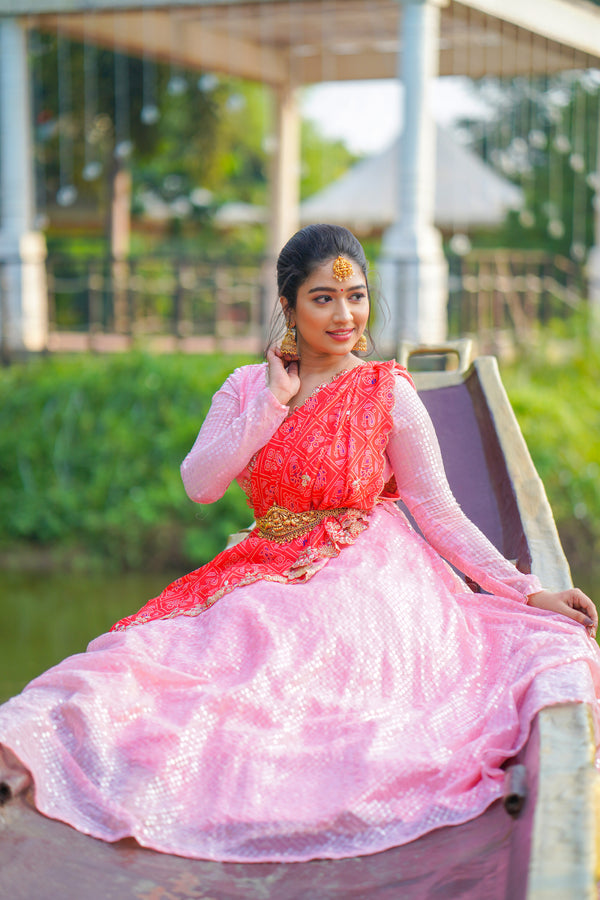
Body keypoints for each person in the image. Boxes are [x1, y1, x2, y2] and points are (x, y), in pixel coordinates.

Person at [0, 223, 598, 864]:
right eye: (323, 298)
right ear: (287, 304)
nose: (345, 315)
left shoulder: (385, 390)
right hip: (263, 561)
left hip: (367, 570)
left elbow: (439, 510)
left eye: (357, 296)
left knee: (290, 673)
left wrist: (527, 590)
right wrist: (272, 403)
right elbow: (200, 483)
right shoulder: (245, 387)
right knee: (147, 660)